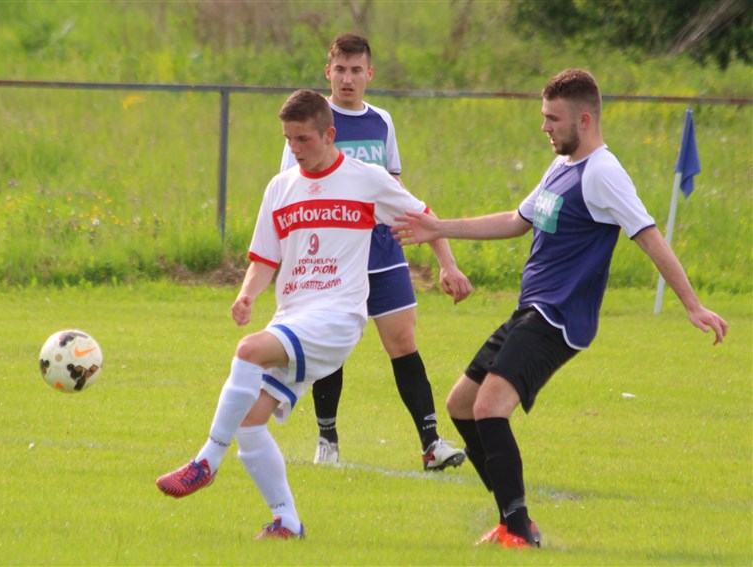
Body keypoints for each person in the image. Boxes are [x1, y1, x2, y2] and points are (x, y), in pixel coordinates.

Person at [392, 68, 728, 549]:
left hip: (560, 317)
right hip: (532, 310)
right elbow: (516, 220)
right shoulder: (561, 166)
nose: (544, 127)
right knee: (461, 405)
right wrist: (440, 227)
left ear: (584, 119)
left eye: (553, 118)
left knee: (489, 407)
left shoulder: (603, 173)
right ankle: (514, 521)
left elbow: (649, 236)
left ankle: (517, 530)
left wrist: (692, 305)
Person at [156, 89, 444, 539]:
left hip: (339, 317)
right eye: (289, 139)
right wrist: (247, 295)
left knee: (248, 350)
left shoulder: (366, 180)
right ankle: (287, 521)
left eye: (303, 139)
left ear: (329, 135)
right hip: (292, 316)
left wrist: (449, 265)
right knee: (249, 424)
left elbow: (425, 217)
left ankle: (206, 461)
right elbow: (264, 258)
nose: (295, 148)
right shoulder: (280, 187)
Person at [280, 32, 473, 469]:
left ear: (370, 73)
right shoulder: (311, 119)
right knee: (331, 346)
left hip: (383, 252)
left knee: (403, 342)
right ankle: (327, 440)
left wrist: (446, 262)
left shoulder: (382, 121)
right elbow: (292, 192)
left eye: (356, 70)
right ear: (328, 72)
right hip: (331, 259)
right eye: (340, 70)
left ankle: (431, 444)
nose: (347, 79)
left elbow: (396, 190)